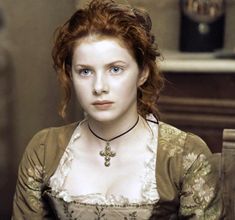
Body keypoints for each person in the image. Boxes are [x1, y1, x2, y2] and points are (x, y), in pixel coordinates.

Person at [12, 0, 223, 219]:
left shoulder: (185, 156)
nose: (99, 87)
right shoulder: (44, 150)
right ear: (70, 75)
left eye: (115, 69)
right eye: (85, 71)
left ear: (143, 73)